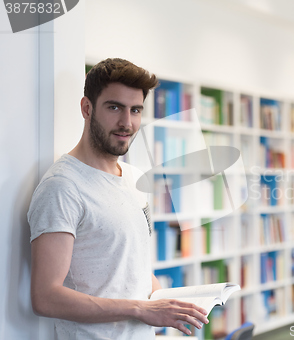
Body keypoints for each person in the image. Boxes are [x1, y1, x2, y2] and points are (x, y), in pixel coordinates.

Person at [28, 58, 208, 339]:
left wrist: (170, 304)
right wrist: (140, 309)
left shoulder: (134, 178)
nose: (127, 122)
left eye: (135, 110)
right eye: (115, 108)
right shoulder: (62, 187)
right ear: (87, 109)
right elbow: (45, 297)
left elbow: (134, 268)